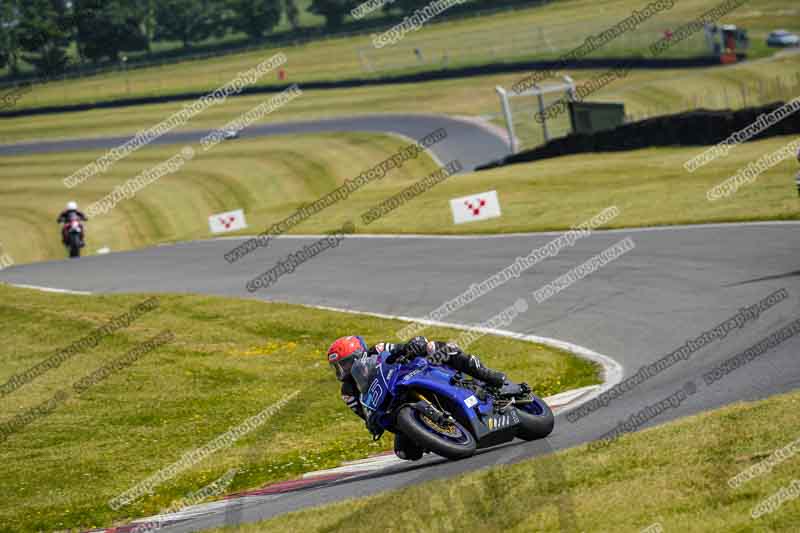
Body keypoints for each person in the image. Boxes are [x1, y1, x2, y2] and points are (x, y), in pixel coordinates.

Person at [327, 335, 521, 460]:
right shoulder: (348, 391)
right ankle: (440, 431)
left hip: (409, 374)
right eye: (337, 367)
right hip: (393, 406)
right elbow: (364, 413)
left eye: (344, 364)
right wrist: (372, 424)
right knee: (405, 453)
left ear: (358, 355)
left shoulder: (376, 350)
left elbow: (399, 347)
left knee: (434, 347)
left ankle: (487, 375)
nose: (341, 370)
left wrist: (411, 346)